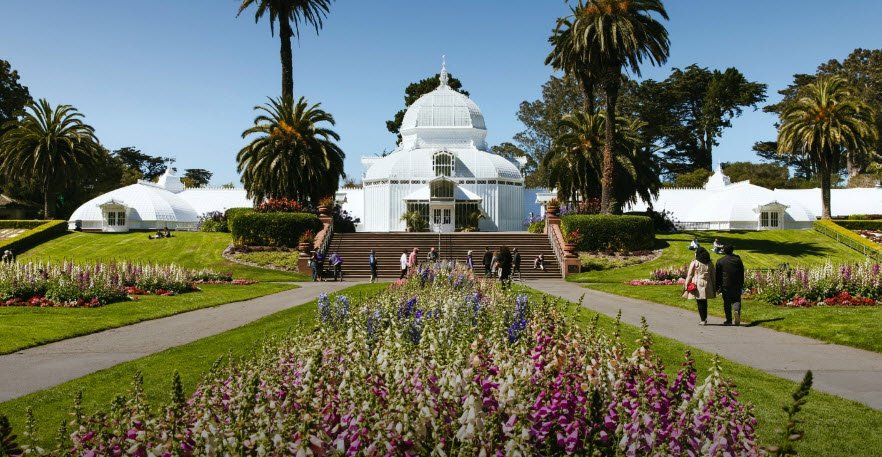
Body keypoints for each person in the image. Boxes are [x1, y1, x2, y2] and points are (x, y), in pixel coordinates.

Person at [683, 247, 716, 325]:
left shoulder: (695, 262)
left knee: (700, 302)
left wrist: (686, 284)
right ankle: (705, 318)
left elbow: (690, 275)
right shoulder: (710, 263)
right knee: (704, 301)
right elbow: (713, 275)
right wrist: (714, 285)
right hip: (708, 283)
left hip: (698, 283)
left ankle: (703, 319)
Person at [716, 244, 745, 326]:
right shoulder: (737, 260)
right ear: (732, 250)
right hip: (736, 283)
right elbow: (741, 272)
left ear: (724, 251)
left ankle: (728, 320)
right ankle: (736, 311)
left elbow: (718, 275)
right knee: (736, 300)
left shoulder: (720, 261)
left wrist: (717, 286)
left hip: (725, 284)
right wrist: (741, 283)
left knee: (727, 302)